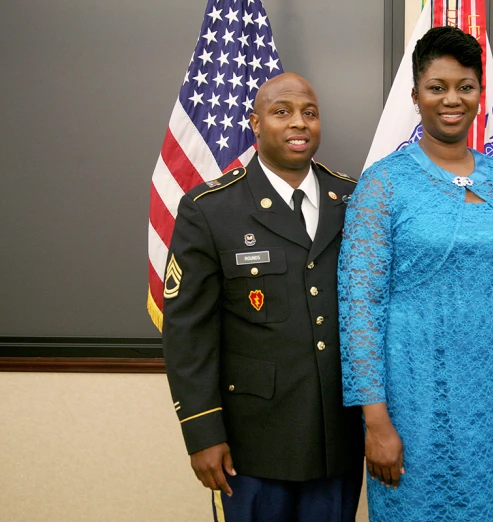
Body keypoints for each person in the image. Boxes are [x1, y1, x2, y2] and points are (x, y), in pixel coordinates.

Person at [338, 26, 493, 521]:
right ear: (416, 96)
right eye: (437, 87)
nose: (452, 99)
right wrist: (376, 423)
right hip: (407, 403)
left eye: (465, 86)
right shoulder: (383, 183)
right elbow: (358, 306)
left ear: (479, 94)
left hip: (479, 405)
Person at [161, 73, 365, 522]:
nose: (299, 123)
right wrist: (201, 432)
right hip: (251, 444)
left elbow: (390, 293)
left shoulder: (353, 199)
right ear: (254, 123)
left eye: (309, 113)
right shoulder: (211, 209)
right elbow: (187, 332)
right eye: (282, 112)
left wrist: (481, 299)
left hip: (338, 439)